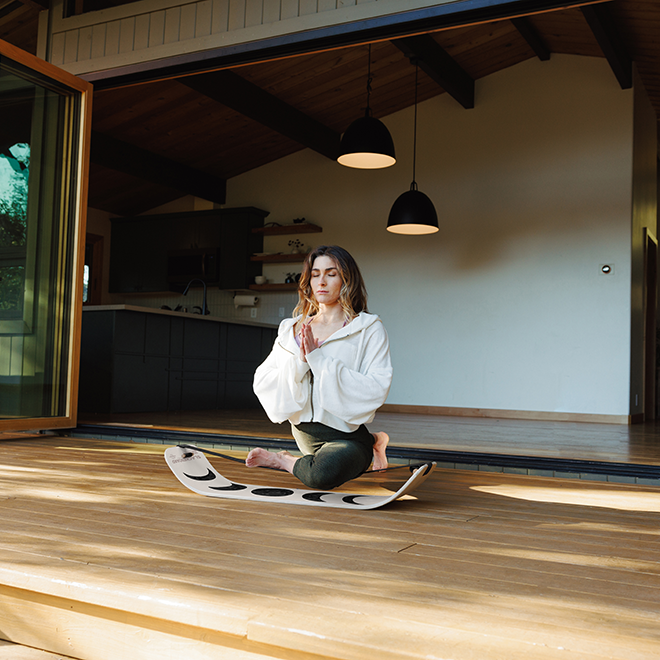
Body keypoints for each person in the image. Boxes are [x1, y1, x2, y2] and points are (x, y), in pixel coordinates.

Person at [247, 245, 392, 490]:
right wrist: (301, 362)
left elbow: (377, 386)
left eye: (331, 273)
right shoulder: (291, 329)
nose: (321, 281)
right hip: (305, 435)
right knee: (317, 467)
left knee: (322, 475)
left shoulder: (367, 328)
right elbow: (263, 379)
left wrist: (319, 359)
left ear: (346, 278)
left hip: (345, 438)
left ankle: (283, 460)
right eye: (315, 274)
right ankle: (376, 440)